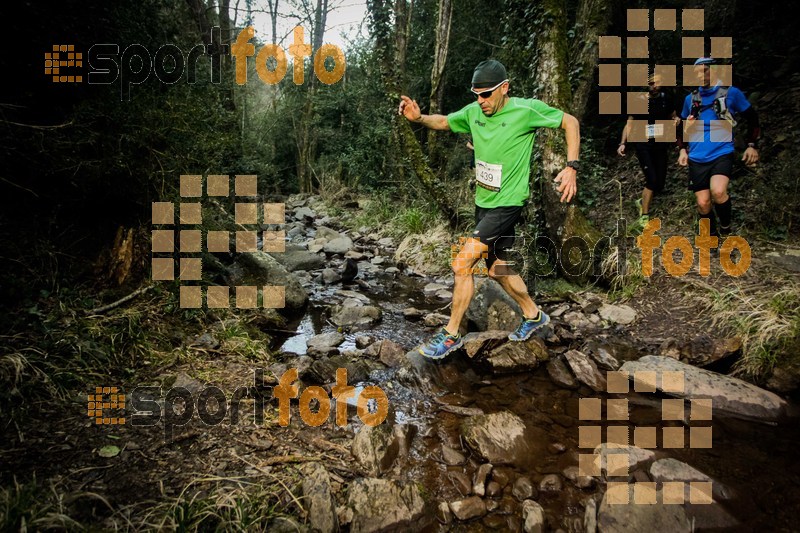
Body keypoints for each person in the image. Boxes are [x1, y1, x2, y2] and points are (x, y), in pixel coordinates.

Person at [398, 59, 580, 360]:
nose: (480, 101)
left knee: (462, 263)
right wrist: (419, 118)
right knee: (496, 269)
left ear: (504, 88)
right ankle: (534, 316)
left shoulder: (525, 110)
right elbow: (444, 122)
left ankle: (451, 334)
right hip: (483, 204)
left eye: (486, 94)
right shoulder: (473, 113)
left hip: (508, 204)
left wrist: (572, 167)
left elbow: (570, 122)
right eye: (476, 94)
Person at [677, 57, 760, 238]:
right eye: (697, 72)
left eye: (705, 70)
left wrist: (751, 145)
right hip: (697, 156)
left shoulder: (731, 93)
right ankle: (712, 235)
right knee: (703, 203)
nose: (700, 75)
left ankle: (726, 230)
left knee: (719, 191)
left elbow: (752, 118)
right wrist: (682, 149)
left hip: (722, 152)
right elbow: (681, 126)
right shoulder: (690, 99)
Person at [617, 73, 678, 226]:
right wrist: (622, 143)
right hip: (643, 144)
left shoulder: (666, 99)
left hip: (661, 143)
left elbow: (673, 116)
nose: (654, 86)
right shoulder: (639, 101)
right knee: (651, 179)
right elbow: (629, 123)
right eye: (651, 83)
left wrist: (676, 121)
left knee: (660, 183)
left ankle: (642, 200)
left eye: (657, 83)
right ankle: (644, 215)